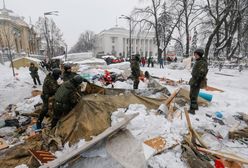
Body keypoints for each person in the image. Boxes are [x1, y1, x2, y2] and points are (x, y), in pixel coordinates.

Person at [189, 48, 208, 115]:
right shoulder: (199, 61)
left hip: (197, 81)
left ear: (199, 55)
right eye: (194, 54)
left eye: (196, 54)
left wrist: (197, 82)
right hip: (194, 80)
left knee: (193, 96)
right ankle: (195, 107)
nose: (195, 56)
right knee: (192, 95)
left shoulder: (202, 62)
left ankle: (192, 110)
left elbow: (202, 74)